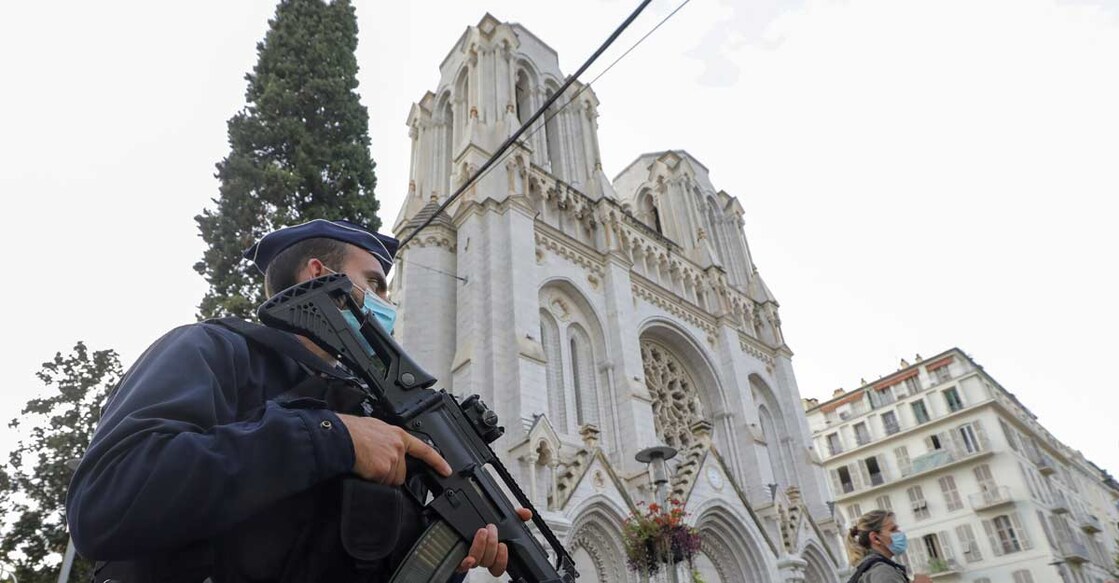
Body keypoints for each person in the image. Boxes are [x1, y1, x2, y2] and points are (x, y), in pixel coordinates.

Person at [67, 219, 528, 582]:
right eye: (376, 282)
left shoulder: (374, 419)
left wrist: (451, 551)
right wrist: (332, 439)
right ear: (320, 275)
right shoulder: (214, 351)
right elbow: (107, 499)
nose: (389, 303)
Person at [845, 509, 932, 583]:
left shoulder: (869, 569)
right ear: (875, 538)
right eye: (893, 529)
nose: (900, 533)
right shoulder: (882, 572)